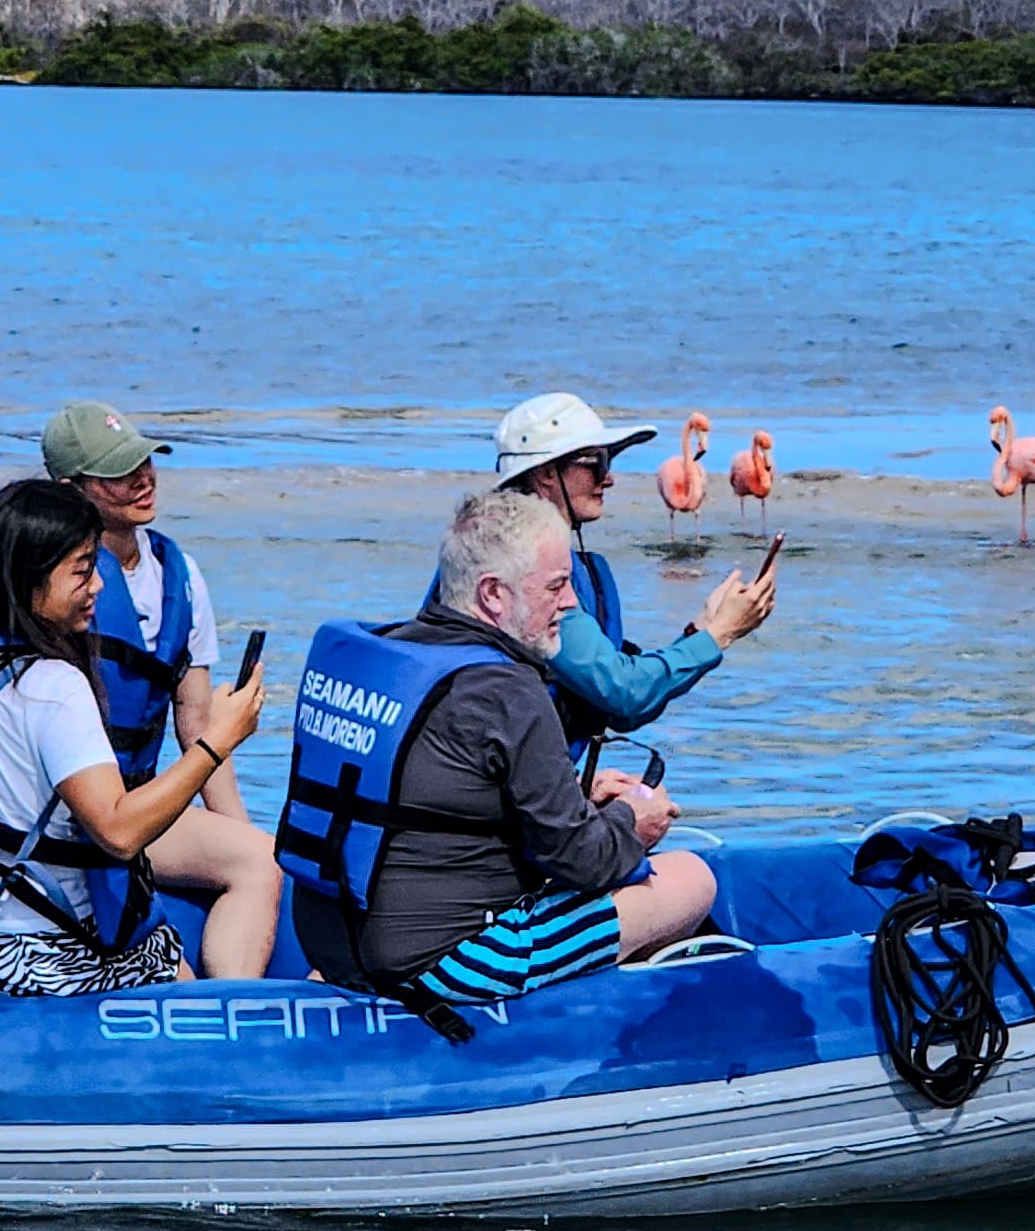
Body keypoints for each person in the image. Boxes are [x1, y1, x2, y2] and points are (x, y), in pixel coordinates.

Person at [281, 487, 718, 1021]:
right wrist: (633, 820)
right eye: (556, 586)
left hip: (330, 944)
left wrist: (578, 795)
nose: (571, 602)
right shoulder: (509, 690)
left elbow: (435, 796)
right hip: (443, 961)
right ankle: (607, 1022)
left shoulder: (396, 654)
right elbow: (585, 861)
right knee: (690, 879)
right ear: (493, 594)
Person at [0, 478, 267, 997]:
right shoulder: (51, 685)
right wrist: (216, 743)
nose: (99, 587)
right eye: (83, 570)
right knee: (167, 958)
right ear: (30, 577)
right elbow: (119, 832)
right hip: (37, 951)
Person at [40, 400, 286, 978]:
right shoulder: (53, 584)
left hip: (142, 804)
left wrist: (237, 827)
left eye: (145, 462)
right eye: (119, 472)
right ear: (72, 490)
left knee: (259, 859)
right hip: (66, 810)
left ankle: (233, 1005)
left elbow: (198, 726)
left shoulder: (181, 575)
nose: (143, 479)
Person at [472, 392, 778, 741]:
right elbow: (622, 692)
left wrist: (700, 629)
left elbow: (619, 699)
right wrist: (720, 632)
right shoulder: (524, 568)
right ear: (545, 475)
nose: (609, 478)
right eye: (597, 464)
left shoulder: (505, 548)